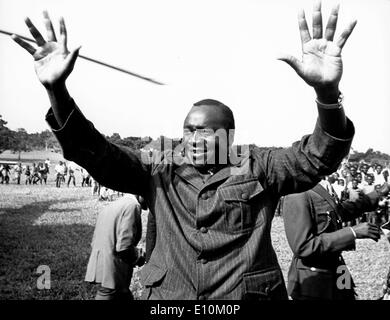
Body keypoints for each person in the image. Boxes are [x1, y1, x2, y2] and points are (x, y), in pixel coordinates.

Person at [13, 3, 357, 299]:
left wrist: (328, 94)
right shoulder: (160, 166)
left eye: (204, 132)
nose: (191, 138)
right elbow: (97, 154)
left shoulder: (259, 165)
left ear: (229, 136)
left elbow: (317, 157)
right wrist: (57, 89)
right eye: (187, 130)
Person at [283, 179, 389, 300]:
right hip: (314, 279)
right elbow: (303, 246)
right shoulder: (297, 194)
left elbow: (341, 211)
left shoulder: (317, 186)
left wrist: (378, 193)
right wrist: (352, 232)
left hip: (337, 268)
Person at [85, 194, 146, 300]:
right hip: (114, 265)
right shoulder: (133, 205)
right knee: (108, 292)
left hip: (103, 261)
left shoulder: (112, 205)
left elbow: (95, 240)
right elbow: (124, 246)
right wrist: (139, 255)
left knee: (123, 294)